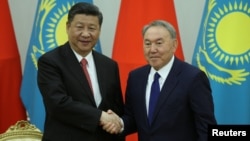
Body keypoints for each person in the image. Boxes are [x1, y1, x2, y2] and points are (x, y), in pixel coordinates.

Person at [104, 20, 217, 141]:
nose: (152, 49)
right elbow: (134, 118)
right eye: (147, 44)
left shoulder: (193, 78)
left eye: (159, 43)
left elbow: (206, 127)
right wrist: (119, 123)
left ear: (174, 45)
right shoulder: (136, 77)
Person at [37, 2, 124, 141]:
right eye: (79, 27)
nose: (85, 33)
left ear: (99, 30)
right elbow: (58, 104)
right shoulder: (49, 62)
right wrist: (100, 116)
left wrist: (115, 123)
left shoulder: (109, 65)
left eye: (92, 28)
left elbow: (117, 106)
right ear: (67, 27)